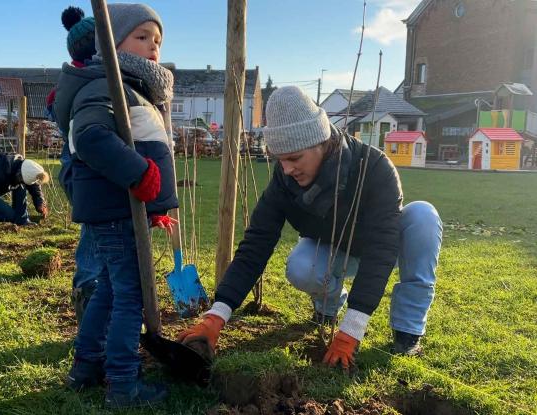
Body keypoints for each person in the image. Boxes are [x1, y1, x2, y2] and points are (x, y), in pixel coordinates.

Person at [177, 86, 443, 370]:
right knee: (302, 265)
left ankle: (408, 330)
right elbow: (255, 245)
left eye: (294, 158)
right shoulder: (284, 182)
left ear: (321, 141)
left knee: (422, 216)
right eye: (280, 159)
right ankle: (326, 311)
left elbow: (381, 249)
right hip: (337, 252)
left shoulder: (374, 168)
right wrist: (216, 316)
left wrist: (351, 331)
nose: (287, 169)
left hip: (382, 245)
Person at [53, 3, 176, 408]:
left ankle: (86, 367)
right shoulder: (106, 84)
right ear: (110, 42)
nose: (153, 48)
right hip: (116, 210)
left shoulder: (127, 86)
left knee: (108, 289)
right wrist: (140, 175)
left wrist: (154, 204)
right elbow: (90, 137)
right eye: (142, 38)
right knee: (131, 296)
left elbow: (139, 142)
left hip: (121, 208)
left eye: (157, 40)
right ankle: (123, 383)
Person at [48, 5, 99, 326]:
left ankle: (91, 293)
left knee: (97, 234)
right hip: (87, 174)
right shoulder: (89, 81)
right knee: (96, 235)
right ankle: (88, 297)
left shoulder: (66, 85)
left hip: (77, 173)